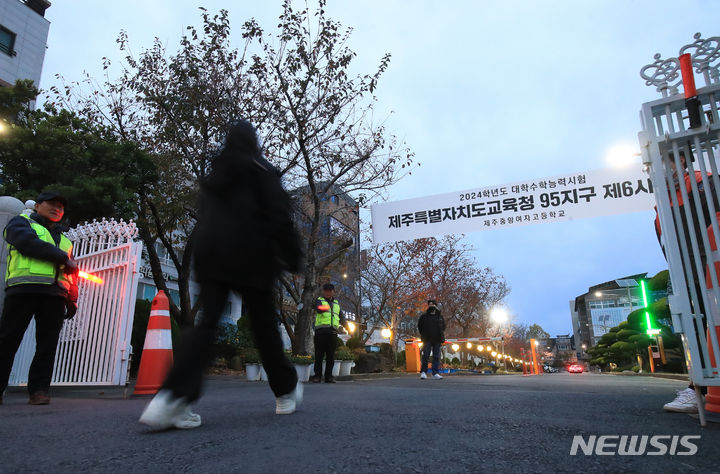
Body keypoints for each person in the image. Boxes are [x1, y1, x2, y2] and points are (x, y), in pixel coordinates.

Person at [139, 120, 304, 430]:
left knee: (205, 327)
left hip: (211, 253)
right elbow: (281, 217)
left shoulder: (216, 173)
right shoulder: (263, 171)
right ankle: (285, 392)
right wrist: (293, 257)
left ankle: (171, 399)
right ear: (255, 144)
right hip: (253, 256)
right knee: (265, 329)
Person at [0, 191, 79, 405]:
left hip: (54, 295)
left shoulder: (64, 240)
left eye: (60, 207)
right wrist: (62, 258)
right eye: (51, 204)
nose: (56, 209)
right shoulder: (21, 223)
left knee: (47, 345)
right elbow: (27, 244)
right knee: (8, 340)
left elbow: (71, 273)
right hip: (23, 289)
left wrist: (72, 298)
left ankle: (39, 391)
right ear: (37, 206)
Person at [655, 150, 716, 413]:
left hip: (710, 269)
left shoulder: (705, 183)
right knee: (697, 326)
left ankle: (702, 389)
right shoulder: (663, 200)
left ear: (678, 160)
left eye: (654, 164)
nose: (650, 172)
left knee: (710, 324)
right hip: (688, 274)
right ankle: (699, 388)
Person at [311, 283, 347, 383]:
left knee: (330, 356)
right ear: (323, 291)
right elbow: (318, 309)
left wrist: (346, 326)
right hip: (320, 331)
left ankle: (329, 376)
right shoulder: (320, 300)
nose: (327, 292)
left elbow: (341, 316)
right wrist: (328, 308)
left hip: (332, 332)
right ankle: (317, 376)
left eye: (329, 290)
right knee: (319, 355)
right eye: (326, 290)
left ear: (333, 292)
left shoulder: (336, 303)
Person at [417, 299, 445, 380]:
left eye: (433, 305)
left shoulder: (440, 316)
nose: (431, 306)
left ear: (436, 306)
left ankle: (435, 373)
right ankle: (423, 372)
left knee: (436, 357)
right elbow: (420, 326)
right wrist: (423, 335)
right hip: (427, 339)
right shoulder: (424, 316)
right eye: (429, 304)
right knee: (425, 356)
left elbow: (443, 327)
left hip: (437, 339)